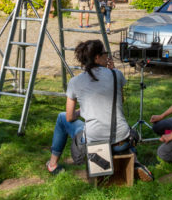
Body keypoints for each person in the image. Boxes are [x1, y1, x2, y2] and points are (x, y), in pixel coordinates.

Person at [46, 39, 153, 181]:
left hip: (95, 144)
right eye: (105, 53)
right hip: (122, 141)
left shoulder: (75, 82)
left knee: (61, 117)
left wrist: (82, 111)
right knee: (121, 127)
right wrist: (113, 70)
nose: (107, 56)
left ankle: (52, 164)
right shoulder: (116, 74)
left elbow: (70, 117)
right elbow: (120, 100)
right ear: (97, 57)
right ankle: (133, 160)